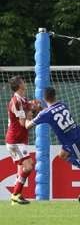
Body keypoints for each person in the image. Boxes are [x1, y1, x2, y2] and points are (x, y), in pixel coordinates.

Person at [25, 87, 80, 205]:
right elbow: (52, 113)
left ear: (44, 98)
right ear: (55, 95)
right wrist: (41, 110)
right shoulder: (62, 104)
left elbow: (28, 126)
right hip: (77, 135)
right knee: (63, 155)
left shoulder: (45, 113)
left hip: (74, 142)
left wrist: (27, 116)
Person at [5, 76, 39, 205]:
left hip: (19, 140)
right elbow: (23, 123)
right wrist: (36, 117)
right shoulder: (16, 101)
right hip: (15, 141)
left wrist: (34, 107)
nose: (25, 82)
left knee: (22, 168)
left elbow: (30, 107)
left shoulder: (23, 99)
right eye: (23, 81)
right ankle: (15, 194)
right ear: (19, 85)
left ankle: (16, 196)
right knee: (29, 166)